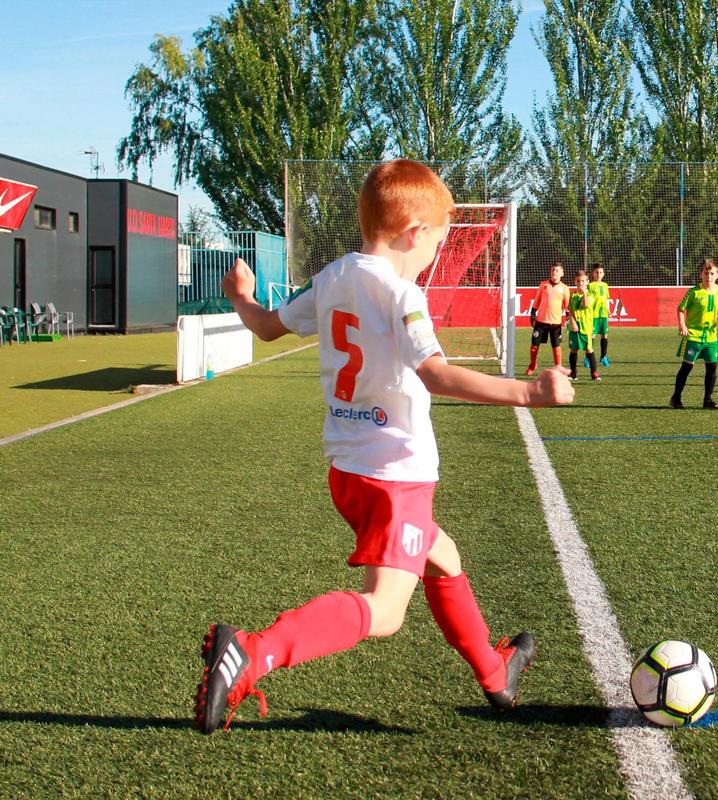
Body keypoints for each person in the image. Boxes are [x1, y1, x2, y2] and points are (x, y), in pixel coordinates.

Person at [195, 159, 574, 735]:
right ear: (415, 233)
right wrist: (528, 390)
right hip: (396, 475)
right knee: (386, 610)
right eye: (439, 244)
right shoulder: (403, 296)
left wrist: (242, 296)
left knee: (444, 558)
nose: (437, 257)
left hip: (349, 473)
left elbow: (268, 327)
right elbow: (438, 375)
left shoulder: (333, 277)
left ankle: (497, 675)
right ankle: (252, 653)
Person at [670, 259, 718, 409]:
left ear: (717, 275)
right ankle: (676, 397)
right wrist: (682, 325)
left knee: (712, 367)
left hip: (711, 337)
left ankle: (707, 399)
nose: (709, 276)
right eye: (706, 273)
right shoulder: (694, 292)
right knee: (687, 367)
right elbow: (680, 308)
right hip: (693, 336)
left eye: (712, 273)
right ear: (701, 274)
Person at [525, 261, 570, 376]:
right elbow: (537, 300)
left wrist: (568, 318)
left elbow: (567, 306)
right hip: (541, 321)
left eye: (557, 270)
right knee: (534, 344)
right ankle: (533, 364)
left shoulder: (565, 288)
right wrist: (533, 313)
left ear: (562, 273)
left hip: (555, 323)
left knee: (556, 346)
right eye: (553, 270)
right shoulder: (544, 285)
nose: (554, 272)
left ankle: (558, 367)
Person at [567, 269, 600, 381]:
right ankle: (573, 374)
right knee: (573, 350)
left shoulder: (591, 294)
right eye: (578, 281)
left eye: (582, 281)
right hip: (574, 328)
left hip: (586, 327)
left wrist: (584, 293)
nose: (580, 283)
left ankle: (594, 373)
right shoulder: (573, 295)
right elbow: (570, 309)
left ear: (587, 281)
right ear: (575, 282)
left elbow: (585, 305)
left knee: (588, 349)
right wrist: (573, 322)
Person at [587, 262, 612, 367]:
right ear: (593, 274)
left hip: (603, 315)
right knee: (591, 336)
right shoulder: (590, 286)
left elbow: (606, 299)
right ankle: (588, 358)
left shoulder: (605, 285)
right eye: (596, 272)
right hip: (593, 315)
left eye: (600, 272)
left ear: (603, 274)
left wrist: (608, 310)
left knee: (604, 336)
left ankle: (603, 357)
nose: (598, 274)